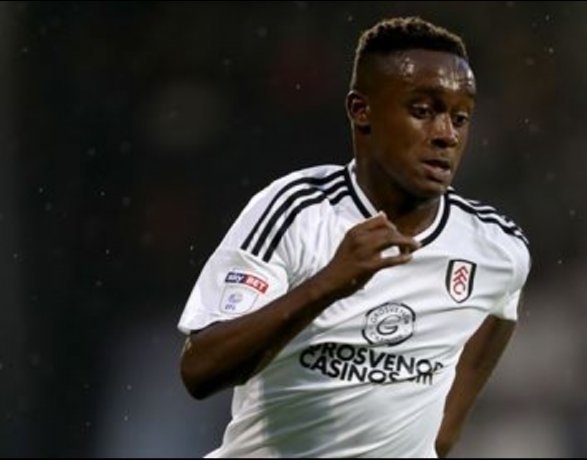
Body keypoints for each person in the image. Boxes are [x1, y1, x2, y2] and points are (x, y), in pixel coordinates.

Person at [178, 16, 531, 458]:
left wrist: (443, 437)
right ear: (361, 111)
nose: (446, 134)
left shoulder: (496, 247)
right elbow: (200, 369)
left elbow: (500, 308)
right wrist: (329, 283)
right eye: (422, 111)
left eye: (460, 117)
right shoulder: (297, 211)